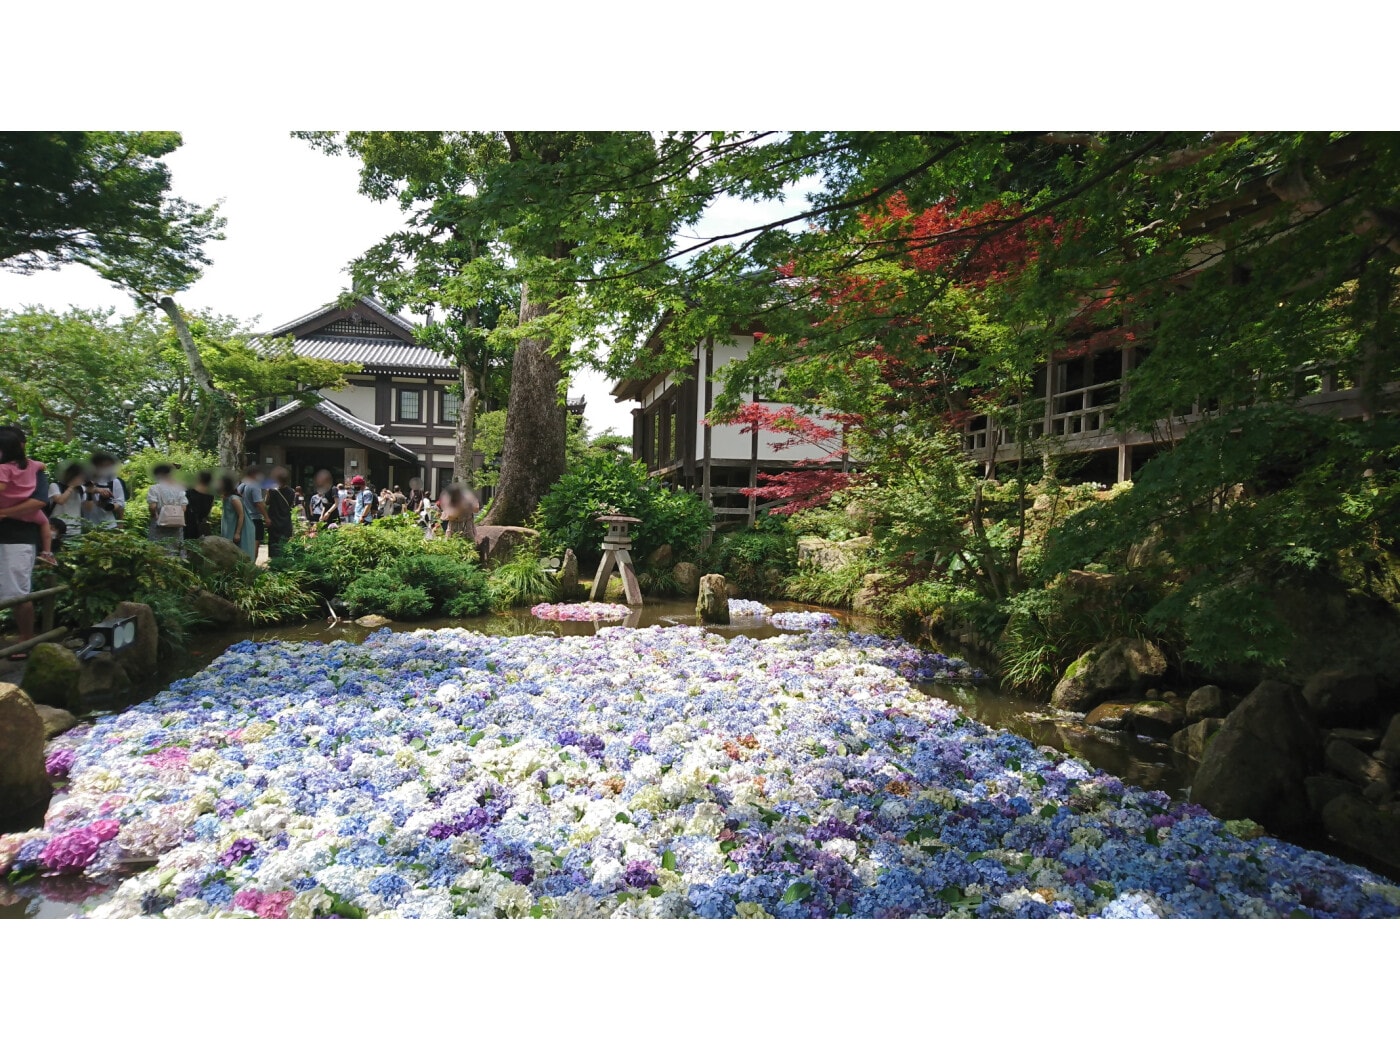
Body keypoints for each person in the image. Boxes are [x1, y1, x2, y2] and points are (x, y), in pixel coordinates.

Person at [0, 426, 51, 658]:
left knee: (18, 592)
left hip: (18, 537)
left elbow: (39, 501)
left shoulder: (32, 470)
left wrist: (5, 513)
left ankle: (25, 639)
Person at [145, 463, 188, 550]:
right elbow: (184, 508)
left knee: (157, 548)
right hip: (176, 525)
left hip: (159, 523)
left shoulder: (154, 488)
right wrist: (174, 515)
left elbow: (152, 507)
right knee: (175, 547)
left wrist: (154, 515)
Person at [47, 463, 87, 550]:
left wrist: (93, 491)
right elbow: (60, 501)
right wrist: (72, 486)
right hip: (57, 530)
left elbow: (87, 508)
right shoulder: (55, 486)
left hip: (76, 530)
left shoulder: (81, 489)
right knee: (57, 554)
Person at [82, 452, 126, 527]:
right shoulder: (83, 480)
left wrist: (107, 505)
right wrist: (95, 490)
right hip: (87, 525)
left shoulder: (114, 481)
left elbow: (120, 503)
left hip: (108, 524)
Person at [219, 476, 256, 559]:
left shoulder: (234, 499)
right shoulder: (226, 498)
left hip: (241, 529)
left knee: (242, 554)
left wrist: (237, 533)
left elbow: (241, 515)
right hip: (230, 527)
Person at [264, 467, 295, 559]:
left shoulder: (272, 490)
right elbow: (290, 505)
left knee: (273, 543)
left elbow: (266, 502)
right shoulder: (291, 491)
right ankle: (283, 561)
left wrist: (267, 492)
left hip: (274, 520)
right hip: (286, 521)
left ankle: (274, 561)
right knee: (284, 543)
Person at [238, 465, 267, 557]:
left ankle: (244, 562)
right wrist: (267, 517)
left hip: (243, 518)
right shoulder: (255, 486)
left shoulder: (241, 486)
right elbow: (258, 503)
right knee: (255, 542)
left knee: (244, 543)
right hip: (255, 519)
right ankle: (252, 563)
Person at [184, 470, 215, 539]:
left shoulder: (189, 492)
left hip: (188, 523)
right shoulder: (210, 494)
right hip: (201, 524)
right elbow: (208, 510)